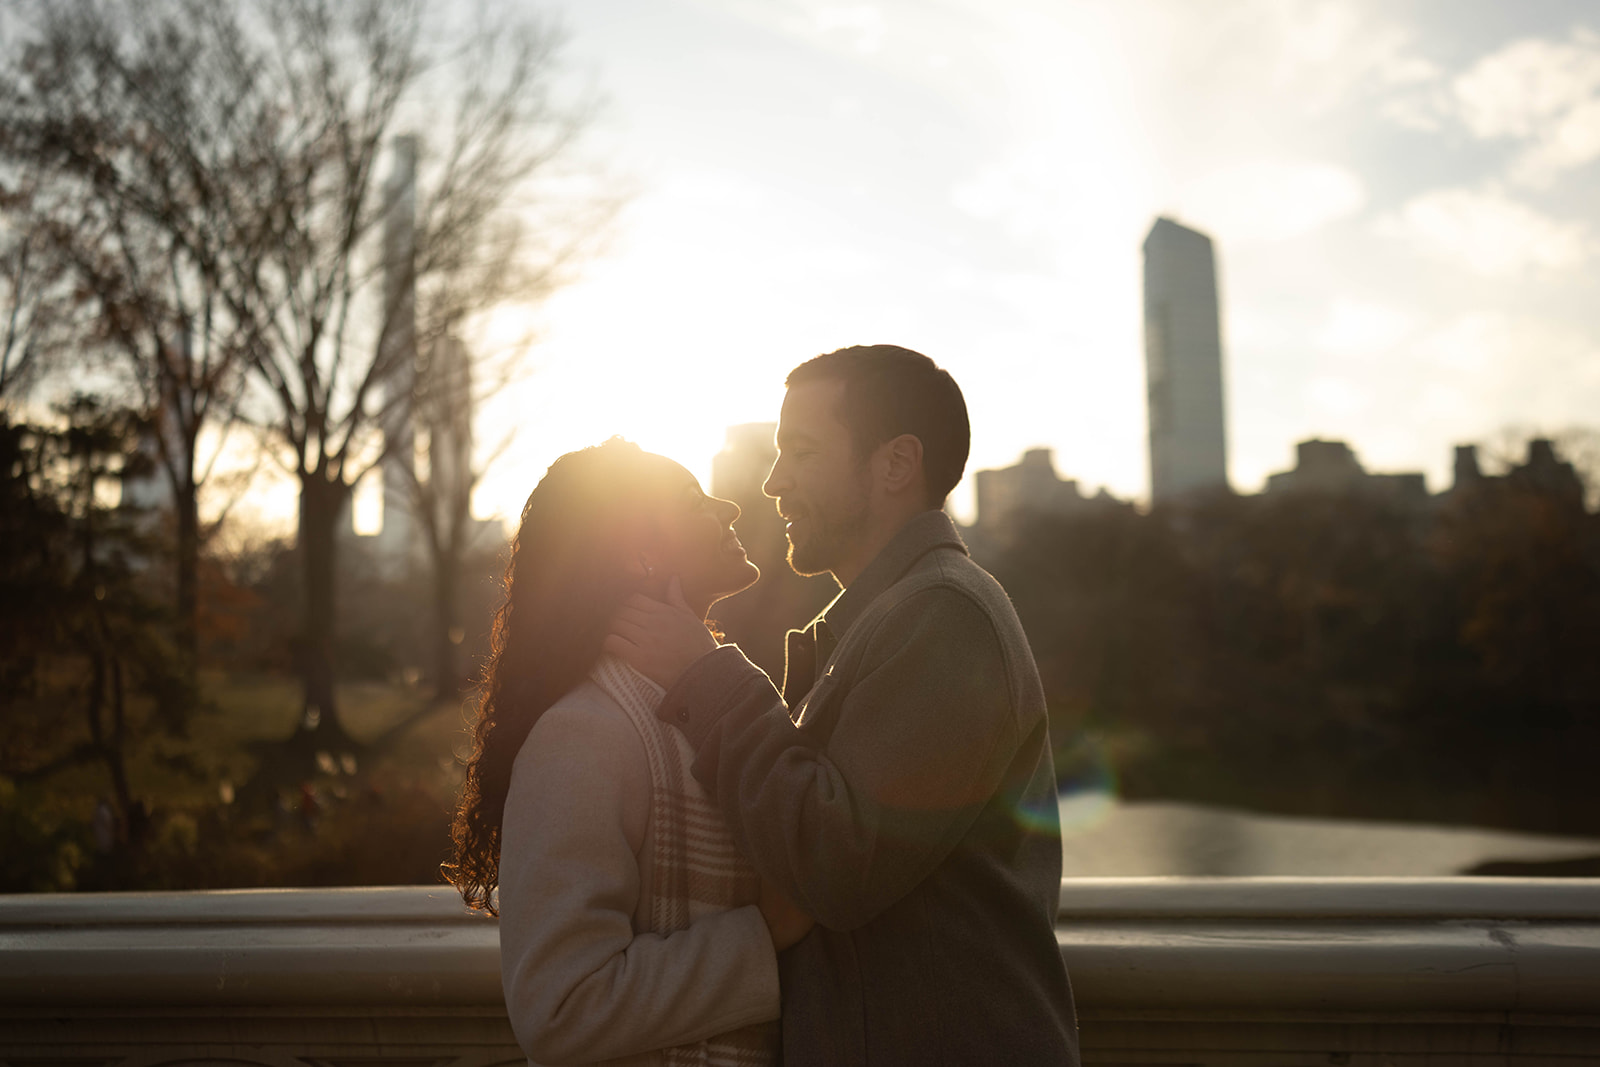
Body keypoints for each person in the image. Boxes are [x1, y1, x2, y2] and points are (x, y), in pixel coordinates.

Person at [608, 345, 1081, 1066]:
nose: (772, 483)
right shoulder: (886, 620)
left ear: (895, 464)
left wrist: (705, 675)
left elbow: (834, 862)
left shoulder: (945, 617)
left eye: (799, 452)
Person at [445, 438, 811, 1066]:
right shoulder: (587, 733)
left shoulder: (691, 707)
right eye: (695, 500)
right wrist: (766, 936)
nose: (728, 508)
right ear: (643, 553)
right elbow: (561, 1008)